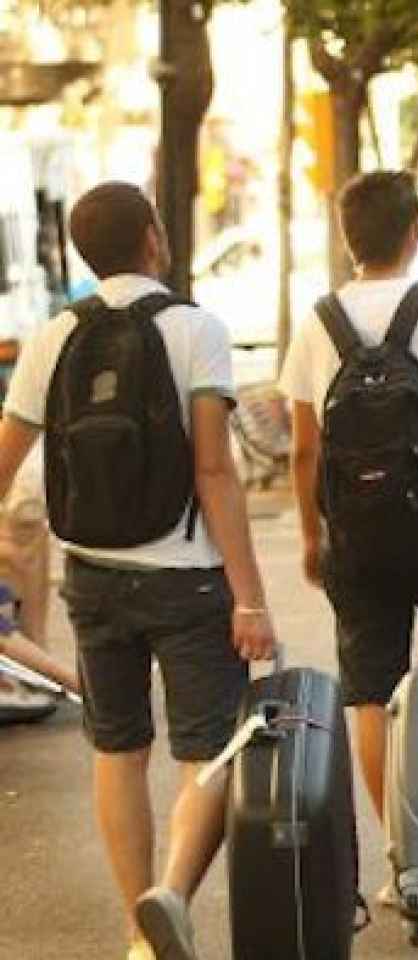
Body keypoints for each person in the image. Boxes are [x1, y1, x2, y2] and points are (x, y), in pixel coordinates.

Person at [0, 181, 276, 960]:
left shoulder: (53, 332)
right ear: (153, 237)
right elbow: (216, 473)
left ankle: (138, 932)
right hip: (185, 575)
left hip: (90, 573)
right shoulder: (196, 329)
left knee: (118, 750)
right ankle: (173, 894)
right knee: (212, 750)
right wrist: (249, 599)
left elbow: (6, 456)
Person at [280, 171, 418, 895]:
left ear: (349, 240)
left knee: (370, 690)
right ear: (415, 232)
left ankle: (402, 853)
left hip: (356, 536)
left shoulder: (319, 321)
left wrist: (314, 538)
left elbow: (305, 448)